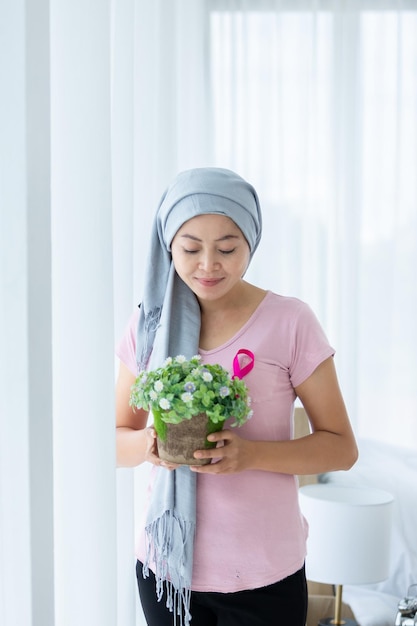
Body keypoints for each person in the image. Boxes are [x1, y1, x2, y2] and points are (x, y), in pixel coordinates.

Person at [115, 167, 358, 626]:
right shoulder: (148, 325)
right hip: (166, 571)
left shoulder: (290, 321)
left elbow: (341, 447)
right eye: (190, 248)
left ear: (252, 242)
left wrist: (250, 455)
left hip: (266, 574)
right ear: (169, 245)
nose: (208, 264)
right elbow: (114, 438)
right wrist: (150, 446)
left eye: (227, 248)